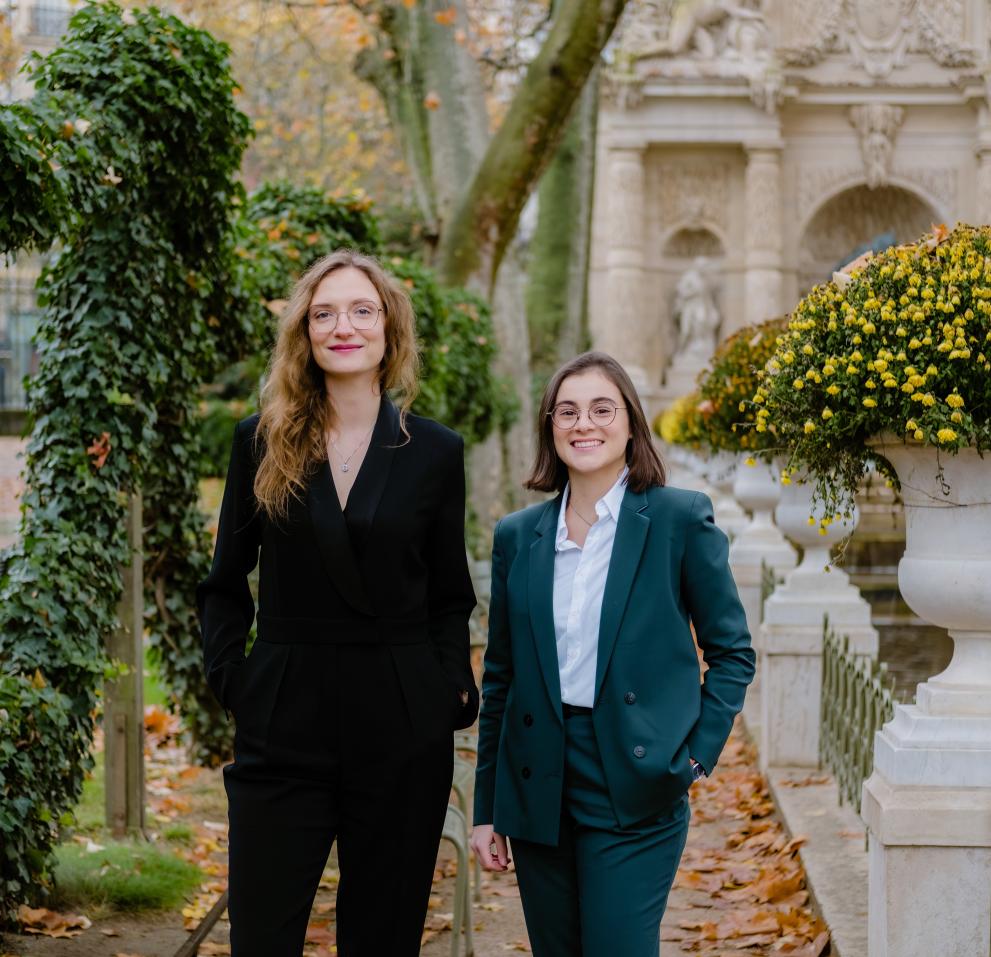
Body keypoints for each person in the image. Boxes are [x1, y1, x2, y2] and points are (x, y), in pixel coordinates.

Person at [198, 249, 479, 956]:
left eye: (360, 310)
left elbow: (450, 594)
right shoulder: (260, 442)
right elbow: (224, 583)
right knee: (262, 935)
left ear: (389, 330)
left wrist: (445, 690)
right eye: (323, 313)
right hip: (283, 712)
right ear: (305, 333)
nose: (341, 326)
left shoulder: (434, 451)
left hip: (401, 719)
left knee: (381, 938)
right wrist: (237, 682)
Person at [470, 351, 754, 957]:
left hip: (636, 777)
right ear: (550, 427)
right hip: (537, 780)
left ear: (630, 423)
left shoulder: (679, 519)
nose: (584, 424)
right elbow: (502, 679)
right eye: (567, 412)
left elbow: (732, 653)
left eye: (603, 409)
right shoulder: (518, 535)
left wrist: (697, 758)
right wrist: (486, 808)